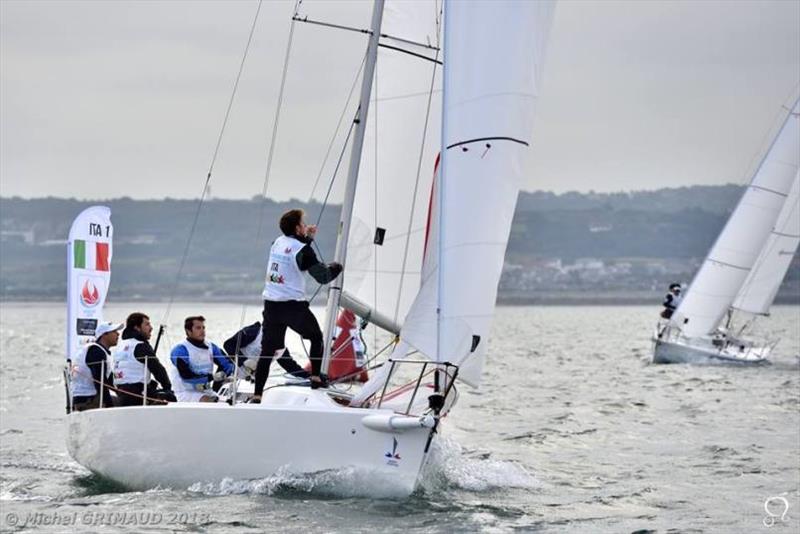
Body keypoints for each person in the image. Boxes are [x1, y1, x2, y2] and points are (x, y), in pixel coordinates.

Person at [253, 209, 342, 402]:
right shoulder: (303, 250)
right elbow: (323, 277)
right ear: (297, 227)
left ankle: (257, 395)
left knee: (267, 353)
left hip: (271, 306)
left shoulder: (276, 242)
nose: (306, 225)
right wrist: (338, 266)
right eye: (303, 223)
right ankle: (316, 377)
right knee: (316, 337)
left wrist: (306, 238)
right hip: (292, 307)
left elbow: (293, 253)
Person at [114, 312, 176, 406]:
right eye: (147, 324)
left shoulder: (121, 345)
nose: (151, 328)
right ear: (137, 328)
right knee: (171, 397)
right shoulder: (140, 346)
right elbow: (158, 370)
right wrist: (167, 388)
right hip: (137, 394)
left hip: (121, 392)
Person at [169, 316, 234, 402]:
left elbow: (227, 364)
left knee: (229, 402)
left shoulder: (211, 347)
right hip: (186, 392)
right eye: (198, 328)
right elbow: (187, 376)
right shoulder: (180, 350)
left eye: (203, 328)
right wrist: (212, 377)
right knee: (211, 402)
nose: (202, 331)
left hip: (206, 391)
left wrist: (229, 373)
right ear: (188, 331)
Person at [223, 321, 310, 380]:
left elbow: (292, 368)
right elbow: (228, 345)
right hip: (231, 376)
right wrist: (244, 361)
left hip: (252, 381)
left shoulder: (280, 348)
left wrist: (311, 376)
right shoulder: (253, 332)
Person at [71, 321, 122, 411]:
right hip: (87, 400)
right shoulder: (96, 351)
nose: (118, 334)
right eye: (114, 331)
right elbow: (99, 381)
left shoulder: (99, 351)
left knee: (127, 400)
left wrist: (124, 393)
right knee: (127, 404)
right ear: (104, 335)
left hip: (87, 398)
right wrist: (110, 406)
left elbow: (109, 382)